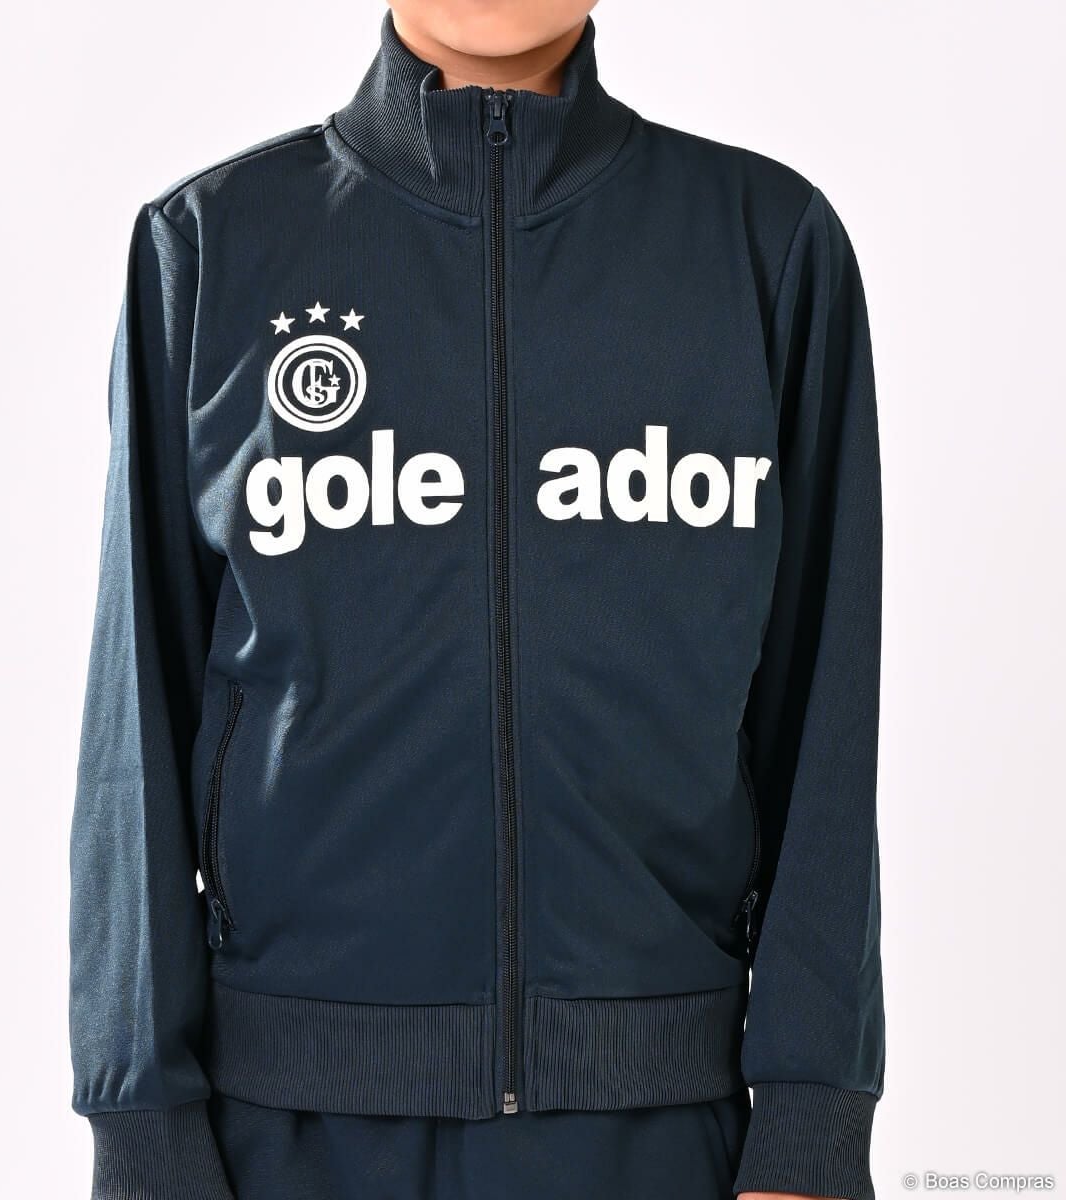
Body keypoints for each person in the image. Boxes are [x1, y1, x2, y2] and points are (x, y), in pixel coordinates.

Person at [68, 2, 885, 1198]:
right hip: (282, 1139)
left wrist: (811, 1136)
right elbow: (131, 732)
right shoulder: (212, 246)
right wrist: (145, 1141)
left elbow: (827, 712)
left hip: (661, 1133)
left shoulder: (768, 247)